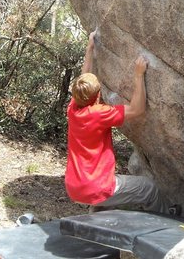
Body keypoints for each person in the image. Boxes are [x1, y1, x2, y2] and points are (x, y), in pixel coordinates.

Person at [65, 31, 170, 214]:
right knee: (149, 188)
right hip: (96, 186)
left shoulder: (74, 108)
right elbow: (137, 109)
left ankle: (94, 232)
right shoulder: (99, 114)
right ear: (97, 95)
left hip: (74, 186)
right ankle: (164, 226)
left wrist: (90, 48)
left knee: (103, 200)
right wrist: (138, 75)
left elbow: (84, 77)